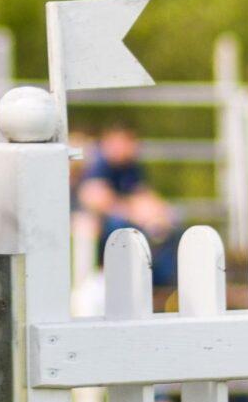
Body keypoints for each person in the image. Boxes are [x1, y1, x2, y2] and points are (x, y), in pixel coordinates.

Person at [74, 120, 181, 290]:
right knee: (123, 227)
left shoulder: (130, 166)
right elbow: (94, 196)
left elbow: (143, 193)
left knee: (169, 226)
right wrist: (133, 211)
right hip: (101, 226)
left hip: (124, 221)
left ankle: (161, 286)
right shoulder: (100, 163)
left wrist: (160, 213)